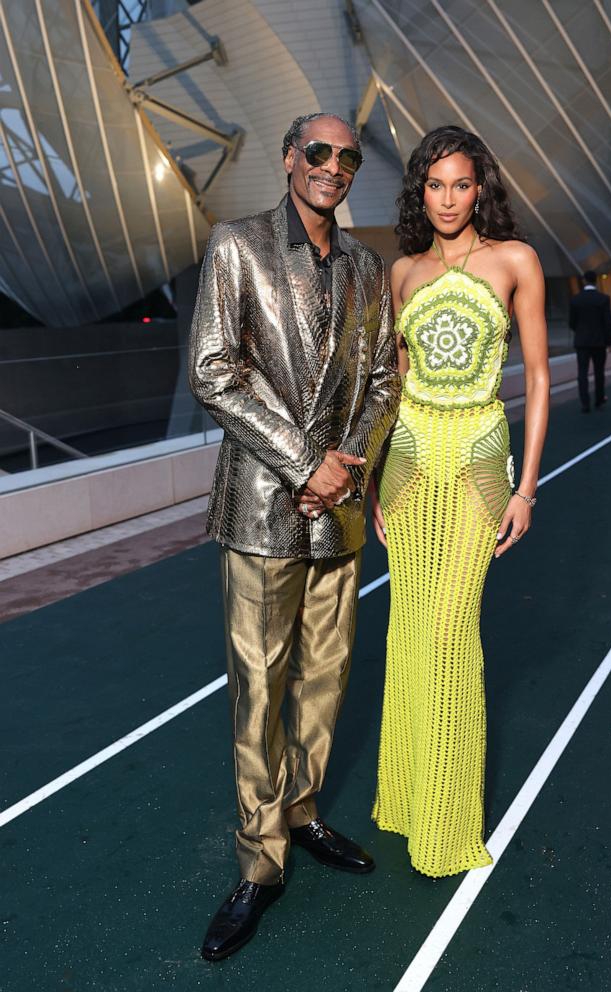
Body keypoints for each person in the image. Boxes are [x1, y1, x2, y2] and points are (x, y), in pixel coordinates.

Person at [189, 112, 401, 960]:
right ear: (289, 159)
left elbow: (385, 376)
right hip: (263, 509)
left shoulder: (364, 266)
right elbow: (212, 369)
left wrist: (349, 465)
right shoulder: (236, 245)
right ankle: (259, 862)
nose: (333, 168)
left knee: (325, 679)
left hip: (338, 511)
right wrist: (304, 463)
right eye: (318, 152)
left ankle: (303, 813)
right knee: (258, 692)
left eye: (347, 158)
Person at [368, 125, 549, 877]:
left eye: (461, 184)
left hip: (477, 464)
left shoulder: (515, 260)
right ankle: (405, 801)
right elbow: (397, 384)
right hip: (407, 467)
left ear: (482, 189)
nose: (447, 198)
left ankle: (445, 824)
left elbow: (536, 379)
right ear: (420, 191)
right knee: (407, 633)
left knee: (448, 637)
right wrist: (377, 476)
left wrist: (526, 486)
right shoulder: (402, 271)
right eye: (434, 185)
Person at [568, 270, 611, 412]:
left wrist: (580, 332)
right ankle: (599, 399)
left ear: (584, 281)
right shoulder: (603, 298)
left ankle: (585, 403)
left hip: (581, 341)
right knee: (599, 372)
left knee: (582, 373)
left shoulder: (575, 299)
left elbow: (572, 322)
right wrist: (609, 342)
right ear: (596, 281)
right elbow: (608, 322)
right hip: (599, 341)